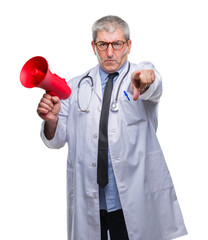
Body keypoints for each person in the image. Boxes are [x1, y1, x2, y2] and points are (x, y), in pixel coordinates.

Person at [37, 15, 187, 240]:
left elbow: (153, 85)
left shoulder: (138, 76)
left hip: (133, 200)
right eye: (102, 44)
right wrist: (51, 119)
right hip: (91, 198)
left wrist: (147, 80)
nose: (109, 52)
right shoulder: (74, 87)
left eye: (117, 44)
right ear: (93, 46)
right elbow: (56, 140)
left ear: (128, 45)